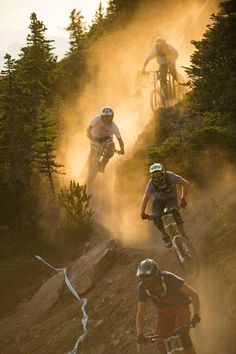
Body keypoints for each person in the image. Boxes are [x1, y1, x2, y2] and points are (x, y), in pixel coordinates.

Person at [136, 258, 201, 354]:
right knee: (161, 343)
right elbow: (140, 313)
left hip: (181, 307)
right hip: (164, 312)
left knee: (183, 337)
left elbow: (194, 294)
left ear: (156, 275)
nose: (146, 284)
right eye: (143, 281)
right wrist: (140, 334)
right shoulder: (142, 288)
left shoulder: (169, 278)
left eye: (149, 280)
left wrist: (196, 315)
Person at [140, 162, 189, 248]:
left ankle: (184, 234)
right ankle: (165, 236)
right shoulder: (151, 183)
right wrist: (142, 212)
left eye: (158, 174)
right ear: (151, 176)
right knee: (156, 217)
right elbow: (146, 198)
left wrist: (183, 198)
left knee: (175, 211)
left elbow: (185, 183)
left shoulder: (170, 176)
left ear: (163, 172)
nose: (157, 177)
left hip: (171, 198)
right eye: (154, 175)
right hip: (158, 201)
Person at [87, 107, 125, 173]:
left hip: (106, 139)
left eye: (108, 117)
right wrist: (89, 133)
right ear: (101, 116)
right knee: (92, 153)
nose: (106, 119)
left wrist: (122, 149)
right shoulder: (97, 118)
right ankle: (86, 168)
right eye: (104, 117)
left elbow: (119, 139)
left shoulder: (113, 126)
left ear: (112, 117)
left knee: (112, 148)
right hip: (95, 138)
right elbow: (89, 127)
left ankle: (102, 165)